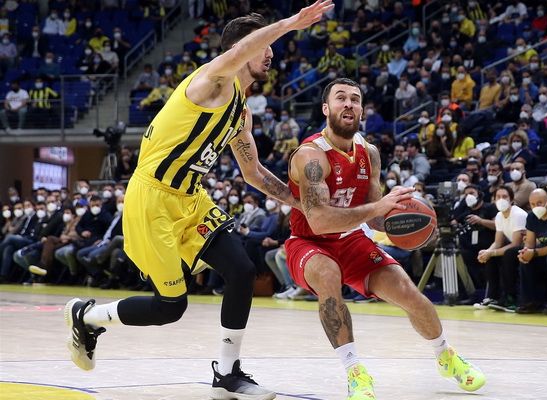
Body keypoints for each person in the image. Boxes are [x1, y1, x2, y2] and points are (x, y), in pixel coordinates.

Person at [63, 4, 334, 400]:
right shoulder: (212, 80)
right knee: (170, 307)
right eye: (264, 46)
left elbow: (254, 174)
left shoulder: (241, 112)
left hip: (191, 199)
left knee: (241, 270)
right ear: (242, 48)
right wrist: (291, 23)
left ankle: (227, 374)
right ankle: (87, 316)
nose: (271, 53)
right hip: (152, 198)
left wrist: (303, 204)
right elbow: (242, 51)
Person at [286, 78, 485, 399]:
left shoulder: (370, 153)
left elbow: (376, 216)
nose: (348, 104)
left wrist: (406, 219)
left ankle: (445, 355)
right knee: (328, 274)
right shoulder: (311, 156)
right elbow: (319, 221)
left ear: (362, 109)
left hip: (351, 239)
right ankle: (355, 371)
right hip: (309, 242)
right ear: (326, 108)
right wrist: (377, 208)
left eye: (355, 99)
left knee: (409, 293)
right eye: (340, 98)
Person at [477, 186, 527, 311]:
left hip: (526, 247)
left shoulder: (518, 214)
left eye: (504, 197)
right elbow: (497, 242)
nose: (501, 199)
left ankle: (511, 298)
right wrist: (487, 252)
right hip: (513, 248)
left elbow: (516, 244)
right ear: (494, 200)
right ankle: (493, 297)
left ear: (511, 200)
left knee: (509, 254)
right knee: (490, 257)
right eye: (498, 197)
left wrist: (492, 252)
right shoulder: (499, 216)